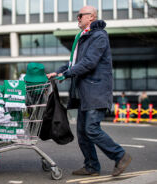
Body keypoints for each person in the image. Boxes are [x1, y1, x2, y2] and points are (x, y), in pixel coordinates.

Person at [47, 6, 131, 177]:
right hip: (84, 92)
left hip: (96, 90)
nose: (77, 18)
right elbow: (74, 62)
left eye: (80, 15)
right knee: (83, 132)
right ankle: (91, 166)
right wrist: (60, 71)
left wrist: (67, 74)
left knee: (91, 129)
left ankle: (120, 155)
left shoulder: (98, 36)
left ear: (91, 17)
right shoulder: (83, 37)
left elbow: (89, 62)